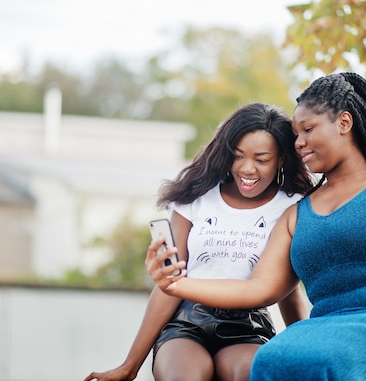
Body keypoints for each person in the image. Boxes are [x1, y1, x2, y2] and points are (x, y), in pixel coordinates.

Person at [146, 72, 366, 380]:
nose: (298, 142)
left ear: (344, 123)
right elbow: (259, 289)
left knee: (329, 362)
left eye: (308, 129)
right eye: (295, 133)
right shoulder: (295, 213)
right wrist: (175, 284)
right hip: (328, 327)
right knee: (273, 359)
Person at [85, 103, 315, 381]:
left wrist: (306, 349)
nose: (247, 169)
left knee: (248, 373)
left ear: (280, 160)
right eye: (238, 156)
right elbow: (170, 284)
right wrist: (129, 365)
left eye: (261, 159)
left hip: (247, 327)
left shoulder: (292, 206)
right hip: (186, 323)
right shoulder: (196, 197)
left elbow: (287, 289)